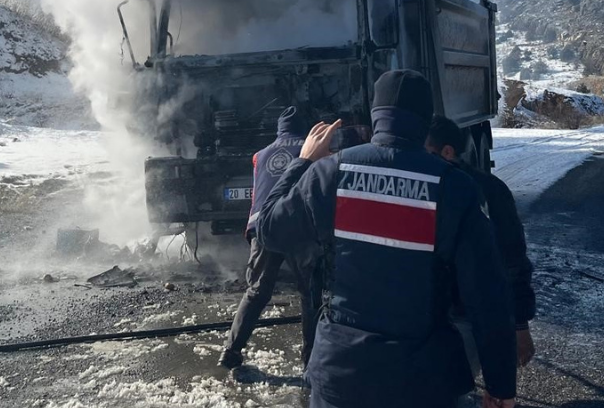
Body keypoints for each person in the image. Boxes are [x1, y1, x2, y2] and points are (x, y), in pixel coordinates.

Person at [258, 70, 517, 408]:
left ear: (375, 114)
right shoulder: (454, 187)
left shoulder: (330, 173)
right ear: (426, 119)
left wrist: (303, 162)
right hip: (421, 381)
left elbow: (268, 230)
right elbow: (487, 296)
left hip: (341, 375)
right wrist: (500, 385)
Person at [426, 115, 536, 374]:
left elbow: (513, 261)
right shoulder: (424, 187)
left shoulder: (489, 192)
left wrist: (520, 326)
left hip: (466, 318)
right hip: (432, 315)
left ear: (448, 152)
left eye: (426, 152)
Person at [220, 106, 321, 370]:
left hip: (262, 226)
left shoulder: (260, 155)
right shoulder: (311, 149)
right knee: (309, 293)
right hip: (296, 228)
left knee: (256, 291)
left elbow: (258, 195)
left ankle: (231, 351)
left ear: (279, 129)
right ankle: (309, 361)